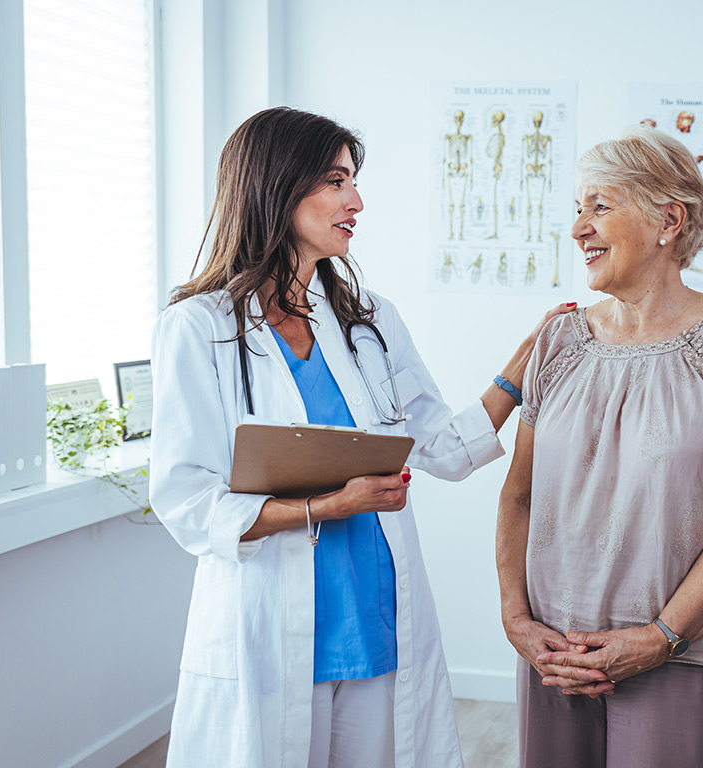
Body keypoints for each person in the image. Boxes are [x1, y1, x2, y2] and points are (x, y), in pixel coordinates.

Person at [149, 106, 573, 768]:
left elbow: (445, 448)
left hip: (373, 612)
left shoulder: (368, 323)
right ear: (277, 186)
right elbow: (184, 498)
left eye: (353, 181)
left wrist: (523, 363)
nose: (357, 201)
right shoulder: (198, 328)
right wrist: (324, 507)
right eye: (336, 181)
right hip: (267, 619)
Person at [496, 126, 703, 768]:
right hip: (558, 656)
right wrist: (516, 618)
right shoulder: (557, 341)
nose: (579, 229)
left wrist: (661, 637)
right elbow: (517, 495)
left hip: (688, 657)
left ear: (668, 219)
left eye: (599, 206)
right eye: (579, 209)